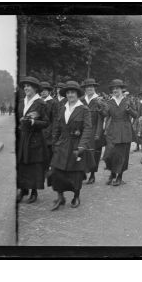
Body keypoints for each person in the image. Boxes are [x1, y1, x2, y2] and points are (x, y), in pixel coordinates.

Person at [49, 81, 93, 210]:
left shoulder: (84, 109)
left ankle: (76, 196)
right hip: (62, 144)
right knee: (57, 171)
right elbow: (57, 127)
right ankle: (60, 197)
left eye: (73, 92)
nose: (70, 95)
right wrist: (54, 142)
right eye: (68, 92)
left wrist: (81, 146)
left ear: (78, 94)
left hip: (76, 145)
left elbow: (87, 129)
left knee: (75, 173)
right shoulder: (62, 108)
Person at [17, 76, 49, 203]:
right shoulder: (21, 102)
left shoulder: (41, 103)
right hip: (23, 137)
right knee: (22, 164)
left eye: (28, 86)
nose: (26, 88)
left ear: (35, 88)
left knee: (34, 164)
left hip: (35, 138)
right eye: (24, 86)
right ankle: (23, 189)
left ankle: (34, 191)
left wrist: (33, 122)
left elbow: (46, 122)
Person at [101, 79, 138, 186]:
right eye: (113, 88)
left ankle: (119, 177)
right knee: (109, 154)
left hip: (125, 130)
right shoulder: (109, 102)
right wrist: (100, 108)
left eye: (117, 88)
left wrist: (129, 110)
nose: (115, 90)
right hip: (113, 130)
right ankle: (112, 174)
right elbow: (105, 114)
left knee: (122, 155)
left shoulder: (128, 101)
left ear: (122, 89)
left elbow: (136, 115)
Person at [80, 78, 105, 184]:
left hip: (95, 129)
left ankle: (93, 174)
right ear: (84, 88)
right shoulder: (81, 100)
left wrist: (98, 132)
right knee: (82, 150)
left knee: (94, 153)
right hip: (83, 129)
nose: (89, 88)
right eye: (87, 87)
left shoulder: (99, 100)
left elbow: (103, 116)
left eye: (91, 86)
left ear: (94, 88)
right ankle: (83, 172)